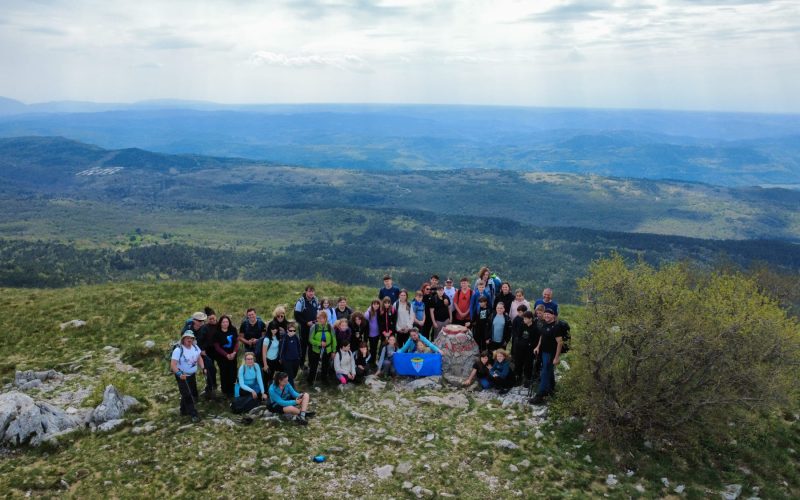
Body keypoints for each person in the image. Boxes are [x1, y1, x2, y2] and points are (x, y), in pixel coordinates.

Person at [530, 306, 566, 404]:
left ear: (553, 316)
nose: (546, 315)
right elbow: (542, 336)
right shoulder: (545, 324)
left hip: (550, 354)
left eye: (548, 314)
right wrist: (537, 347)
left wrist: (556, 357)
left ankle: (540, 395)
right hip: (543, 352)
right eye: (545, 314)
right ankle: (551, 389)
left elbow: (560, 342)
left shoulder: (556, 327)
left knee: (545, 372)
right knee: (548, 371)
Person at [171, 331, 206, 422]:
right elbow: (173, 365)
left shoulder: (195, 347)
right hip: (182, 375)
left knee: (189, 392)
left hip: (191, 375)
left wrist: (203, 368)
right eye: (187, 338)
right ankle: (193, 414)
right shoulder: (178, 350)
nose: (189, 340)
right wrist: (179, 374)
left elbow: (199, 358)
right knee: (187, 394)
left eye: (191, 338)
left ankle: (183, 411)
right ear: (183, 339)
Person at [294, 285, 320, 371]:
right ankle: (301, 364)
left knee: (312, 344)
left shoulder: (316, 300)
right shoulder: (301, 301)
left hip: (313, 326)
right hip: (304, 327)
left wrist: (317, 320)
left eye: (312, 291)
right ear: (306, 292)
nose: (311, 293)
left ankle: (311, 363)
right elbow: (296, 316)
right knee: (303, 346)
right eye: (309, 291)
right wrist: (306, 323)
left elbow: (318, 311)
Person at [308, 311, 337, 386]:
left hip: (328, 350)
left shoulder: (330, 327)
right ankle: (310, 380)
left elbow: (334, 340)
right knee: (314, 365)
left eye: (322, 318)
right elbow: (310, 339)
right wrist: (319, 343)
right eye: (319, 318)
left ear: (326, 318)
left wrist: (333, 351)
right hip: (316, 350)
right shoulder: (314, 327)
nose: (320, 320)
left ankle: (324, 379)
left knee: (325, 365)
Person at [213, 315, 239, 398]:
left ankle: (233, 390)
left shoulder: (233, 330)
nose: (225, 323)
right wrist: (226, 355)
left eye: (227, 322)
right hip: (222, 357)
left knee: (233, 372)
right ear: (220, 323)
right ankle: (225, 391)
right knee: (224, 373)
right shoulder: (217, 333)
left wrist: (234, 352)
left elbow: (237, 342)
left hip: (233, 355)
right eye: (223, 322)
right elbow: (217, 347)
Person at [196, 307, 219, 399]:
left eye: (214, 318)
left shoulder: (219, 325)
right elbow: (199, 340)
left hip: (218, 350)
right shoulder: (204, 328)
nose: (213, 320)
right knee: (210, 369)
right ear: (207, 320)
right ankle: (211, 386)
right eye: (210, 319)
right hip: (207, 351)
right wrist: (202, 350)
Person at [512, 311, 538, 387]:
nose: (524, 320)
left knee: (528, 365)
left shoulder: (535, 328)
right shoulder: (522, 325)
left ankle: (527, 379)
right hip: (520, 349)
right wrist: (518, 344)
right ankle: (518, 378)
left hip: (529, 350)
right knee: (518, 364)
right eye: (524, 318)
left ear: (530, 319)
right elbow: (518, 336)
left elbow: (535, 340)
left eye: (526, 319)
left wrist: (528, 344)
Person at [278, 322, 302, 387]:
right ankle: (292, 391)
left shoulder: (296, 337)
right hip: (287, 360)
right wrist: (281, 358)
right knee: (290, 376)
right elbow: (282, 349)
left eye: (294, 330)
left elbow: (299, 347)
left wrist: (299, 356)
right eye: (290, 330)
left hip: (296, 359)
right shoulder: (285, 338)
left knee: (294, 374)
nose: (292, 332)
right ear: (287, 330)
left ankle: (288, 385)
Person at [364, 299, 382, 365]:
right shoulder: (368, 313)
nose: (376, 305)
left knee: (374, 348)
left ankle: (373, 361)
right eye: (374, 304)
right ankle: (370, 361)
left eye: (377, 304)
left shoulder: (379, 311)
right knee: (372, 349)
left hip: (377, 333)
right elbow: (365, 322)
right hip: (370, 334)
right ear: (372, 305)